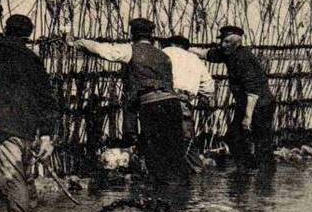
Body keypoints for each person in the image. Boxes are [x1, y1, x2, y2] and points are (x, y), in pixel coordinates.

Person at [73, 18, 188, 185]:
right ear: (151, 36)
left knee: (155, 151)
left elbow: (103, 50)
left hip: (152, 105)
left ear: (133, 34)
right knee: (174, 150)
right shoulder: (163, 55)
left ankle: (162, 195)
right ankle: (181, 194)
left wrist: (79, 43)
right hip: (172, 104)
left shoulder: (131, 50)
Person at [0, 14, 59, 212]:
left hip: (4, 122)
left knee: (11, 179)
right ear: (27, 35)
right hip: (28, 126)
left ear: (6, 28)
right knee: (26, 177)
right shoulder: (33, 59)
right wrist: (46, 134)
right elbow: (47, 99)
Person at [202, 25, 276, 168]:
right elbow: (206, 54)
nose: (223, 45)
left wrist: (247, 117)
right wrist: (183, 50)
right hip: (246, 104)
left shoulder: (244, 57)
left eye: (227, 42)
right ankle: (249, 169)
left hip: (260, 105)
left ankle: (264, 177)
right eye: (222, 41)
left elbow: (252, 91)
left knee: (261, 141)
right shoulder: (228, 53)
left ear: (237, 42)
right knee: (233, 137)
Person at [161, 34, 214, 146]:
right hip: (183, 100)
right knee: (185, 140)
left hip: (162, 97)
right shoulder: (195, 59)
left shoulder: (162, 53)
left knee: (162, 138)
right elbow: (208, 87)